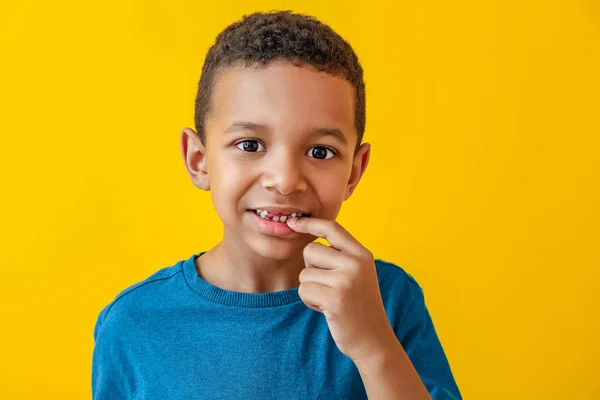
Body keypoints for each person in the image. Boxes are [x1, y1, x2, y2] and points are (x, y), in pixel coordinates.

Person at [92, 10, 462, 399]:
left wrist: (373, 347)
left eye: (320, 151)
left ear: (354, 172)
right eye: (250, 145)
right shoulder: (133, 324)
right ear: (198, 160)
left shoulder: (387, 300)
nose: (285, 180)